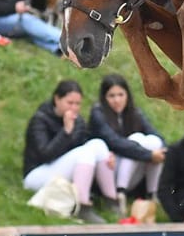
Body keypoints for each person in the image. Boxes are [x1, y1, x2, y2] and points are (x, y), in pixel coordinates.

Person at [23, 79, 118, 224]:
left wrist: (106, 157)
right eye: (70, 103)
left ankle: (112, 202)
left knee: (98, 144)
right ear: (57, 99)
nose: (74, 108)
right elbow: (45, 154)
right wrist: (66, 132)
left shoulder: (78, 121)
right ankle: (82, 207)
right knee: (84, 153)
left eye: (77, 104)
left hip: (62, 171)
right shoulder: (40, 120)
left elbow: (86, 145)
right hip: (36, 174)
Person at [90, 74, 167, 210]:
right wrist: (149, 155)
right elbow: (114, 142)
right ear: (104, 97)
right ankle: (121, 192)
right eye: (111, 96)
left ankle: (152, 194)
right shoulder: (98, 114)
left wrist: (161, 152)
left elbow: (156, 136)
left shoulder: (134, 113)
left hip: (133, 171)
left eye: (120, 95)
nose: (117, 100)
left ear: (127, 95)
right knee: (137, 138)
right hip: (109, 171)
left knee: (153, 141)